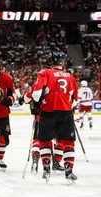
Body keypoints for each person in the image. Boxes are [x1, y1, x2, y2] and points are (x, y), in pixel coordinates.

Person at [31, 51, 78, 184]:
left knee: (45, 141)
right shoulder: (70, 76)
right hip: (65, 112)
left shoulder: (44, 72)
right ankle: (69, 171)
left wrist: (40, 101)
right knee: (68, 142)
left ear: (51, 61)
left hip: (48, 111)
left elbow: (36, 95)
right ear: (63, 62)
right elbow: (74, 101)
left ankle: (46, 168)